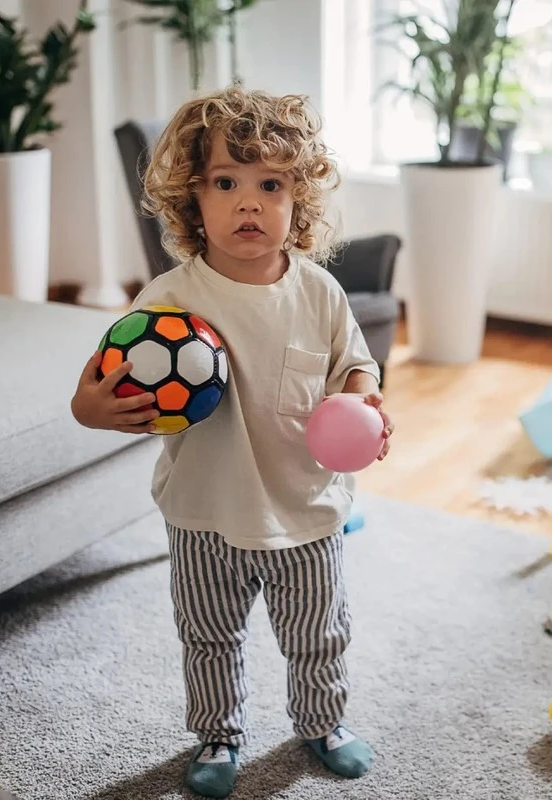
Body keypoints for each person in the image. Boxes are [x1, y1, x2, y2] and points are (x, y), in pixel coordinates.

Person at [70, 86, 392, 798]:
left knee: (318, 633)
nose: (249, 203)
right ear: (193, 200)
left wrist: (363, 397)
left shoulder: (319, 294)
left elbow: (356, 364)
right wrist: (92, 409)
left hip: (306, 508)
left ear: (297, 202)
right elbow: (97, 386)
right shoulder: (167, 301)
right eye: (226, 182)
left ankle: (322, 722)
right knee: (210, 637)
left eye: (270, 185)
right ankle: (218, 733)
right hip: (203, 511)